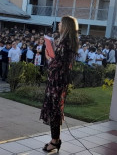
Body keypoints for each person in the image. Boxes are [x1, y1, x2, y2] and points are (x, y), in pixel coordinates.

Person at [40, 16, 79, 153]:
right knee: (54, 110)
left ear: (66, 26)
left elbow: (57, 64)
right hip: (59, 81)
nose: (58, 24)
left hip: (57, 82)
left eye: (61, 23)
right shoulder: (68, 42)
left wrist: (48, 57)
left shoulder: (65, 43)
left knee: (54, 110)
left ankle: (55, 141)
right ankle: (54, 139)